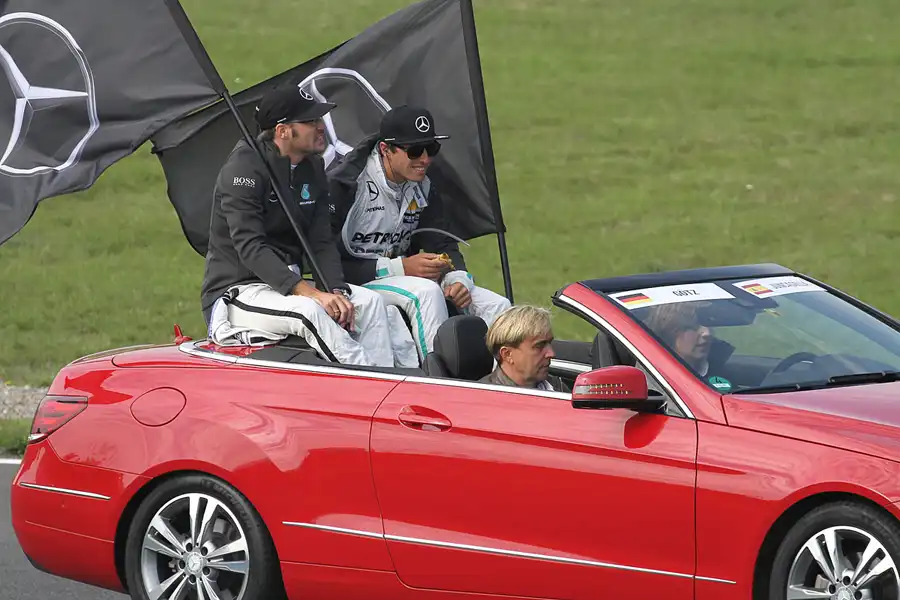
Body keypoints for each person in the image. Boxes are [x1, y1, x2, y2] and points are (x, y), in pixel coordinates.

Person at [199, 85, 417, 367]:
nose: (321, 127)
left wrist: (336, 290)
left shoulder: (312, 168)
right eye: (311, 122)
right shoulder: (244, 169)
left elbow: (321, 241)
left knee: (368, 303)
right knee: (310, 312)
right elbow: (250, 247)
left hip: (288, 287)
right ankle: (371, 385)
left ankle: (396, 389)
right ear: (283, 131)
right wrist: (313, 293)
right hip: (239, 291)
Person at [328, 105, 511, 362]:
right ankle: (437, 381)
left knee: (498, 306)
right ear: (385, 150)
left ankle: (499, 387)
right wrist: (398, 267)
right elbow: (322, 259)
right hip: (353, 281)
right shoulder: (347, 184)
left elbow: (442, 241)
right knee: (425, 293)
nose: (424, 159)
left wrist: (458, 279)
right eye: (414, 150)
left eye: (431, 148)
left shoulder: (424, 182)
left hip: (399, 275)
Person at [479, 305, 569, 392]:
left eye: (549, 343)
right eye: (539, 345)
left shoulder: (556, 387)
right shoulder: (484, 400)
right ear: (507, 354)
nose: (551, 353)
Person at [642, 303, 712, 375]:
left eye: (709, 325)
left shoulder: (720, 366)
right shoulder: (651, 377)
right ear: (670, 333)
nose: (707, 333)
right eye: (692, 327)